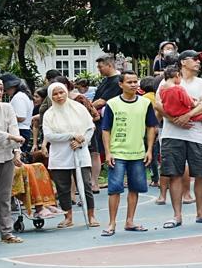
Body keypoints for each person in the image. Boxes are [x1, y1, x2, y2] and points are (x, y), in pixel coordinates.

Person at [160, 49, 202, 228]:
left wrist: (187, 116)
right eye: (194, 59)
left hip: (197, 135)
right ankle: (177, 216)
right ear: (183, 62)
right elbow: (158, 104)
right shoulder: (167, 80)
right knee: (174, 174)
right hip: (171, 134)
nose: (198, 62)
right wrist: (174, 120)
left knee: (201, 174)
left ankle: (201, 213)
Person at [100, 70, 157, 236]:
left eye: (135, 81)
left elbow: (151, 126)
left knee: (135, 188)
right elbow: (106, 129)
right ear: (121, 84)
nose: (133, 85)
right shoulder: (112, 104)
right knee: (114, 189)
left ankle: (130, 221)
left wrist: (149, 149)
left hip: (137, 153)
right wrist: (108, 152)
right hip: (117, 153)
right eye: (129, 82)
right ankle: (111, 223)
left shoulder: (145, 103)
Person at [43, 82, 95, 229]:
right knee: (63, 187)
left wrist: (82, 142)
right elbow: (49, 136)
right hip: (60, 155)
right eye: (55, 93)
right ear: (50, 96)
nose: (59, 96)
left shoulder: (79, 108)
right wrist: (71, 135)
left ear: (66, 92)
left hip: (80, 152)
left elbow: (90, 128)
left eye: (61, 92)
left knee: (85, 185)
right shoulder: (49, 114)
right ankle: (68, 216)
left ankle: (91, 215)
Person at [0, 80, 25, 243]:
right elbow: (1, 133)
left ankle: (7, 233)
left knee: (5, 197)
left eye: (1, 89)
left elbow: (14, 128)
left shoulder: (8, 108)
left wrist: (17, 152)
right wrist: (11, 137)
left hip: (6, 156)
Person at [91, 54, 123, 192]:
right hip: (99, 119)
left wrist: (87, 107)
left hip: (110, 120)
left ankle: (115, 180)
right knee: (98, 151)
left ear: (109, 65)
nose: (99, 69)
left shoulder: (116, 81)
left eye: (100, 66)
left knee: (109, 150)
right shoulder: (105, 81)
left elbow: (102, 101)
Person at [4, 75, 33, 154]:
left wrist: (4, 117)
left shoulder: (19, 97)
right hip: (23, 130)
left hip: (20, 130)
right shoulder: (22, 95)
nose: (5, 92)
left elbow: (21, 117)